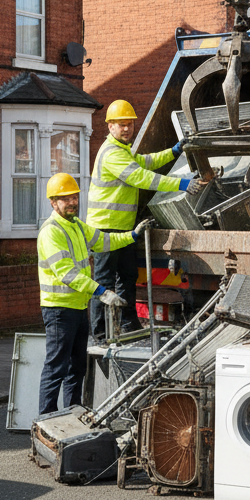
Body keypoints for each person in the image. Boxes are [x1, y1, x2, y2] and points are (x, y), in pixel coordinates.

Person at [37, 172, 154, 416]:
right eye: (65, 199)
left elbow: (104, 241)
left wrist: (133, 235)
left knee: (77, 367)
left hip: (78, 308)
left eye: (74, 197)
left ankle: (72, 414)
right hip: (59, 310)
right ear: (53, 202)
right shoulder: (51, 232)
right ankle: (47, 418)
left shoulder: (77, 226)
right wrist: (101, 291)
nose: (72, 202)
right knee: (56, 367)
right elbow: (66, 273)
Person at [86, 99, 198, 338]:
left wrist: (174, 151)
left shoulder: (123, 150)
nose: (127, 128)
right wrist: (181, 184)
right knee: (104, 282)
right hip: (105, 229)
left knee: (128, 277)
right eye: (121, 124)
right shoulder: (112, 154)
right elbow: (142, 177)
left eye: (130, 124)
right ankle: (100, 333)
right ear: (110, 126)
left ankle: (128, 324)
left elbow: (147, 162)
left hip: (123, 229)